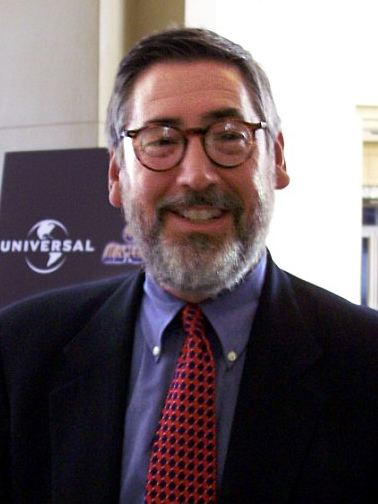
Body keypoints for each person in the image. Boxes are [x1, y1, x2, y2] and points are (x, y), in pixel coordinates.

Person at [1, 27, 378, 504]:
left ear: (276, 159)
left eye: (228, 137)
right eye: (161, 140)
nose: (197, 174)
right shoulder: (19, 353)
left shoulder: (365, 363)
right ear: (118, 174)